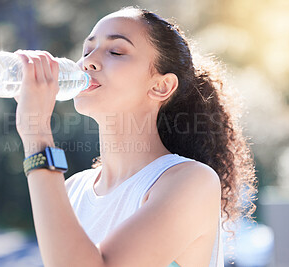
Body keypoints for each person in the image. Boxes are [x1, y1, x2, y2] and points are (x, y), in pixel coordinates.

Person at [13, 6, 257, 267]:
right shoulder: (72, 189)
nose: (87, 62)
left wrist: (36, 134)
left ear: (161, 86)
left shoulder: (191, 181)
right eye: (86, 51)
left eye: (116, 51)